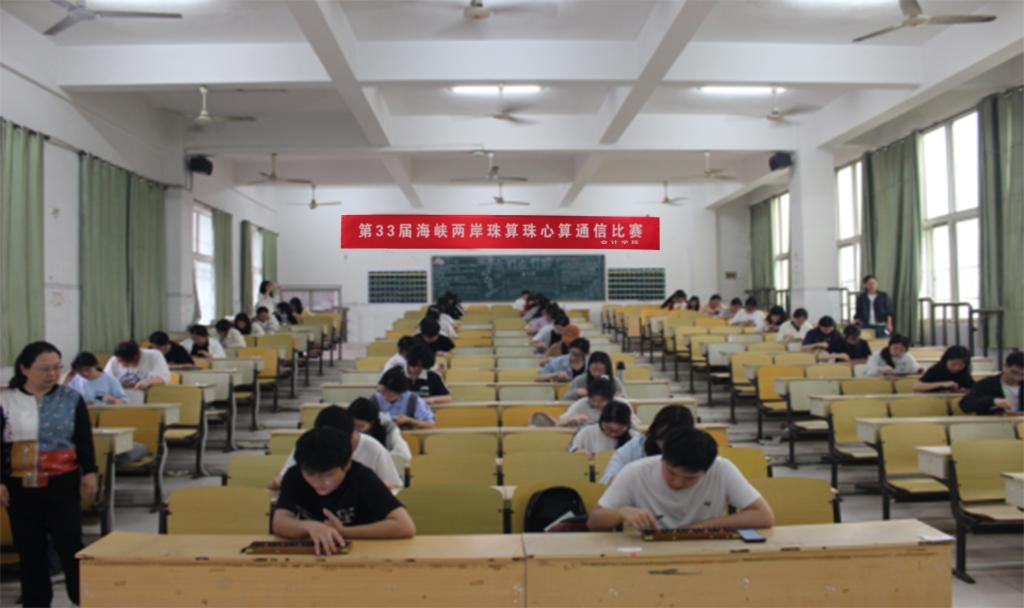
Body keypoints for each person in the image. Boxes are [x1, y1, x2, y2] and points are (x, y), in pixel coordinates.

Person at [1, 341, 98, 607]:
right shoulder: (6, 400)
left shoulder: (71, 398)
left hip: (62, 482)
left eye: (57, 367)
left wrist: (89, 471)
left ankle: (82, 599)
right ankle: (36, 601)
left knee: (70, 544)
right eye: (45, 369)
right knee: (30, 548)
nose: (52, 374)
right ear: (24, 368)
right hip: (20, 485)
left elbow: (83, 439)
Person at [586, 429, 774, 532]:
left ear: (707, 470)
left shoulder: (722, 469)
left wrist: (700, 527)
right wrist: (620, 512)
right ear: (663, 458)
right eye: (671, 472)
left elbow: (764, 516)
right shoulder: (635, 472)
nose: (677, 483)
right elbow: (594, 521)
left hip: (705, 548)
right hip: (649, 551)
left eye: (690, 478)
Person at [271, 427, 415, 555]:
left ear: (347, 465)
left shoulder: (363, 478)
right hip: (317, 554)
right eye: (310, 473)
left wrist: (345, 532)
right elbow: (279, 522)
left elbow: (405, 526)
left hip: (364, 553)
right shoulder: (294, 476)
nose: (318, 482)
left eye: (328, 475)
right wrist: (310, 526)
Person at [272, 406, 402, 490]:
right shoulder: (311, 444)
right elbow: (282, 480)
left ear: (353, 435)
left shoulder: (374, 449)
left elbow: (395, 488)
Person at [600, 405, 695, 483]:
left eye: (675, 441)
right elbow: (607, 479)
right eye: (662, 438)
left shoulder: (696, 452)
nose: (667, 445)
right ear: (654, 431)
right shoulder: (637, 445)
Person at [348, 397, 412, 463]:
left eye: (360, 426)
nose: (356, 430)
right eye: (353, 425)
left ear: (372, 423)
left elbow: (404, 455)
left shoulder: (387, 428)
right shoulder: (347, 429)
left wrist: (377, 457)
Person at [568, 401, 640, 457]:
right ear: (601, 421)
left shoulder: (634, 436)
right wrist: (577, 452)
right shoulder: (586, 431)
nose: (613, 434)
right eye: (608, 429)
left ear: (627, 425)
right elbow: (571, 451)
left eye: (618, 430)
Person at [559, 377, 637, 427]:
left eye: (601, 401)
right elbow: (559, 423)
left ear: (611, 399)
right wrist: (571, 419)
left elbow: (636, 423)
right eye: (593, 400)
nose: (596, 404)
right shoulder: (581, 404)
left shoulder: (621, 404)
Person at [104, 340, 171, 391]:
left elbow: (164, 378)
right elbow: (105, 379)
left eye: (124, 362)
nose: (120, 364)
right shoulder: (115, 358)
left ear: (135, 357)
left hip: (147, 395)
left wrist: (147, 382)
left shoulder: (154, 355)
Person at [562, 350, 627, 401]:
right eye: (594, 369)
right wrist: (577, 392)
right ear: (589, 367)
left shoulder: (614, 381)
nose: (597, 373)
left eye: (600, 370)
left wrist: (619, 398)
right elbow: (564, 400)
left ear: (607, 369)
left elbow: (625, 400)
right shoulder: (579, 380)